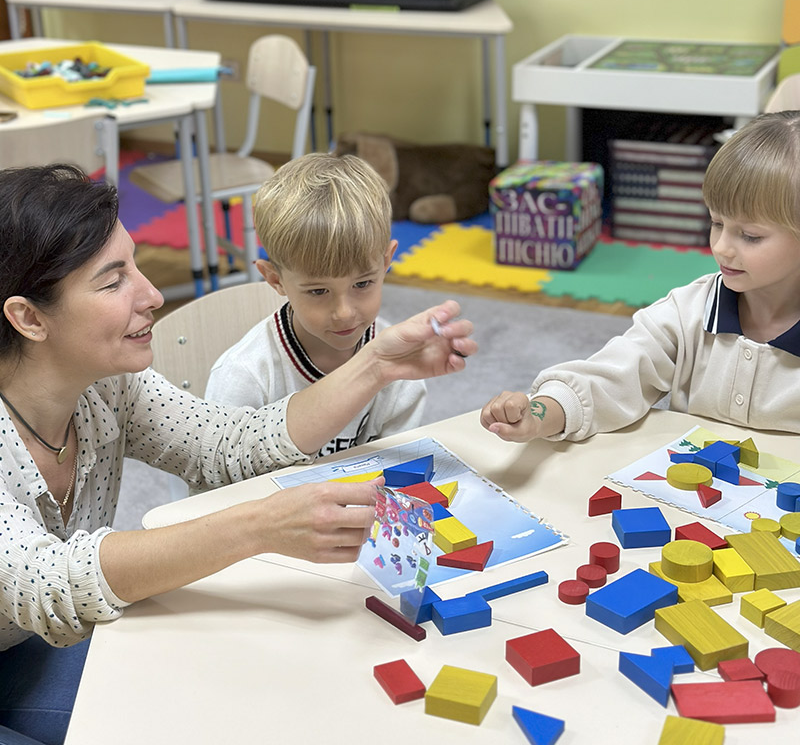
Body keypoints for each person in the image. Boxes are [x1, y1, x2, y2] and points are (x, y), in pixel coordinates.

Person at [0, 164, 476, 745]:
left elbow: (225, 444)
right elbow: (50, 584)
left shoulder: (106, 382)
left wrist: (374, 365)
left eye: (136, 266)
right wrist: (257, 526)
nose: (152, 296)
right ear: (27, 317)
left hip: (30, 648)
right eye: (113, 280)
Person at [481, 110, 800, 443]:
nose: (721, 247)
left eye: (750, 236)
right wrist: (539, 414)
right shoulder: (687, 311)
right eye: (717, 223)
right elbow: (611, 380)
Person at [205, 152, 426, 456]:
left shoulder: (396, 363)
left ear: (386, 261)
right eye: (318, 291)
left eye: (362, 284)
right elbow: (217, 489)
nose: (345, 312)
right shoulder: (245, 377)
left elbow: (402, 473)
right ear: (275, 280)